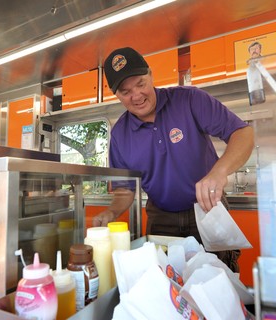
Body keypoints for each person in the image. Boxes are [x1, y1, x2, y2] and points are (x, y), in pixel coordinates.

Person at [93, 47, 254, 272]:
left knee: (220, 273)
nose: (137, 96)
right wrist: (111, 211)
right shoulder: (119, 135)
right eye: (126, 91)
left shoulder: (190, 100)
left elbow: (242, 133)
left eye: (140, 84)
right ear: (116, 95)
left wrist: (219, 172)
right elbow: (124, 190)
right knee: (165, 279)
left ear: (150, 75)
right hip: (161, 217)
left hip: (207, 209)